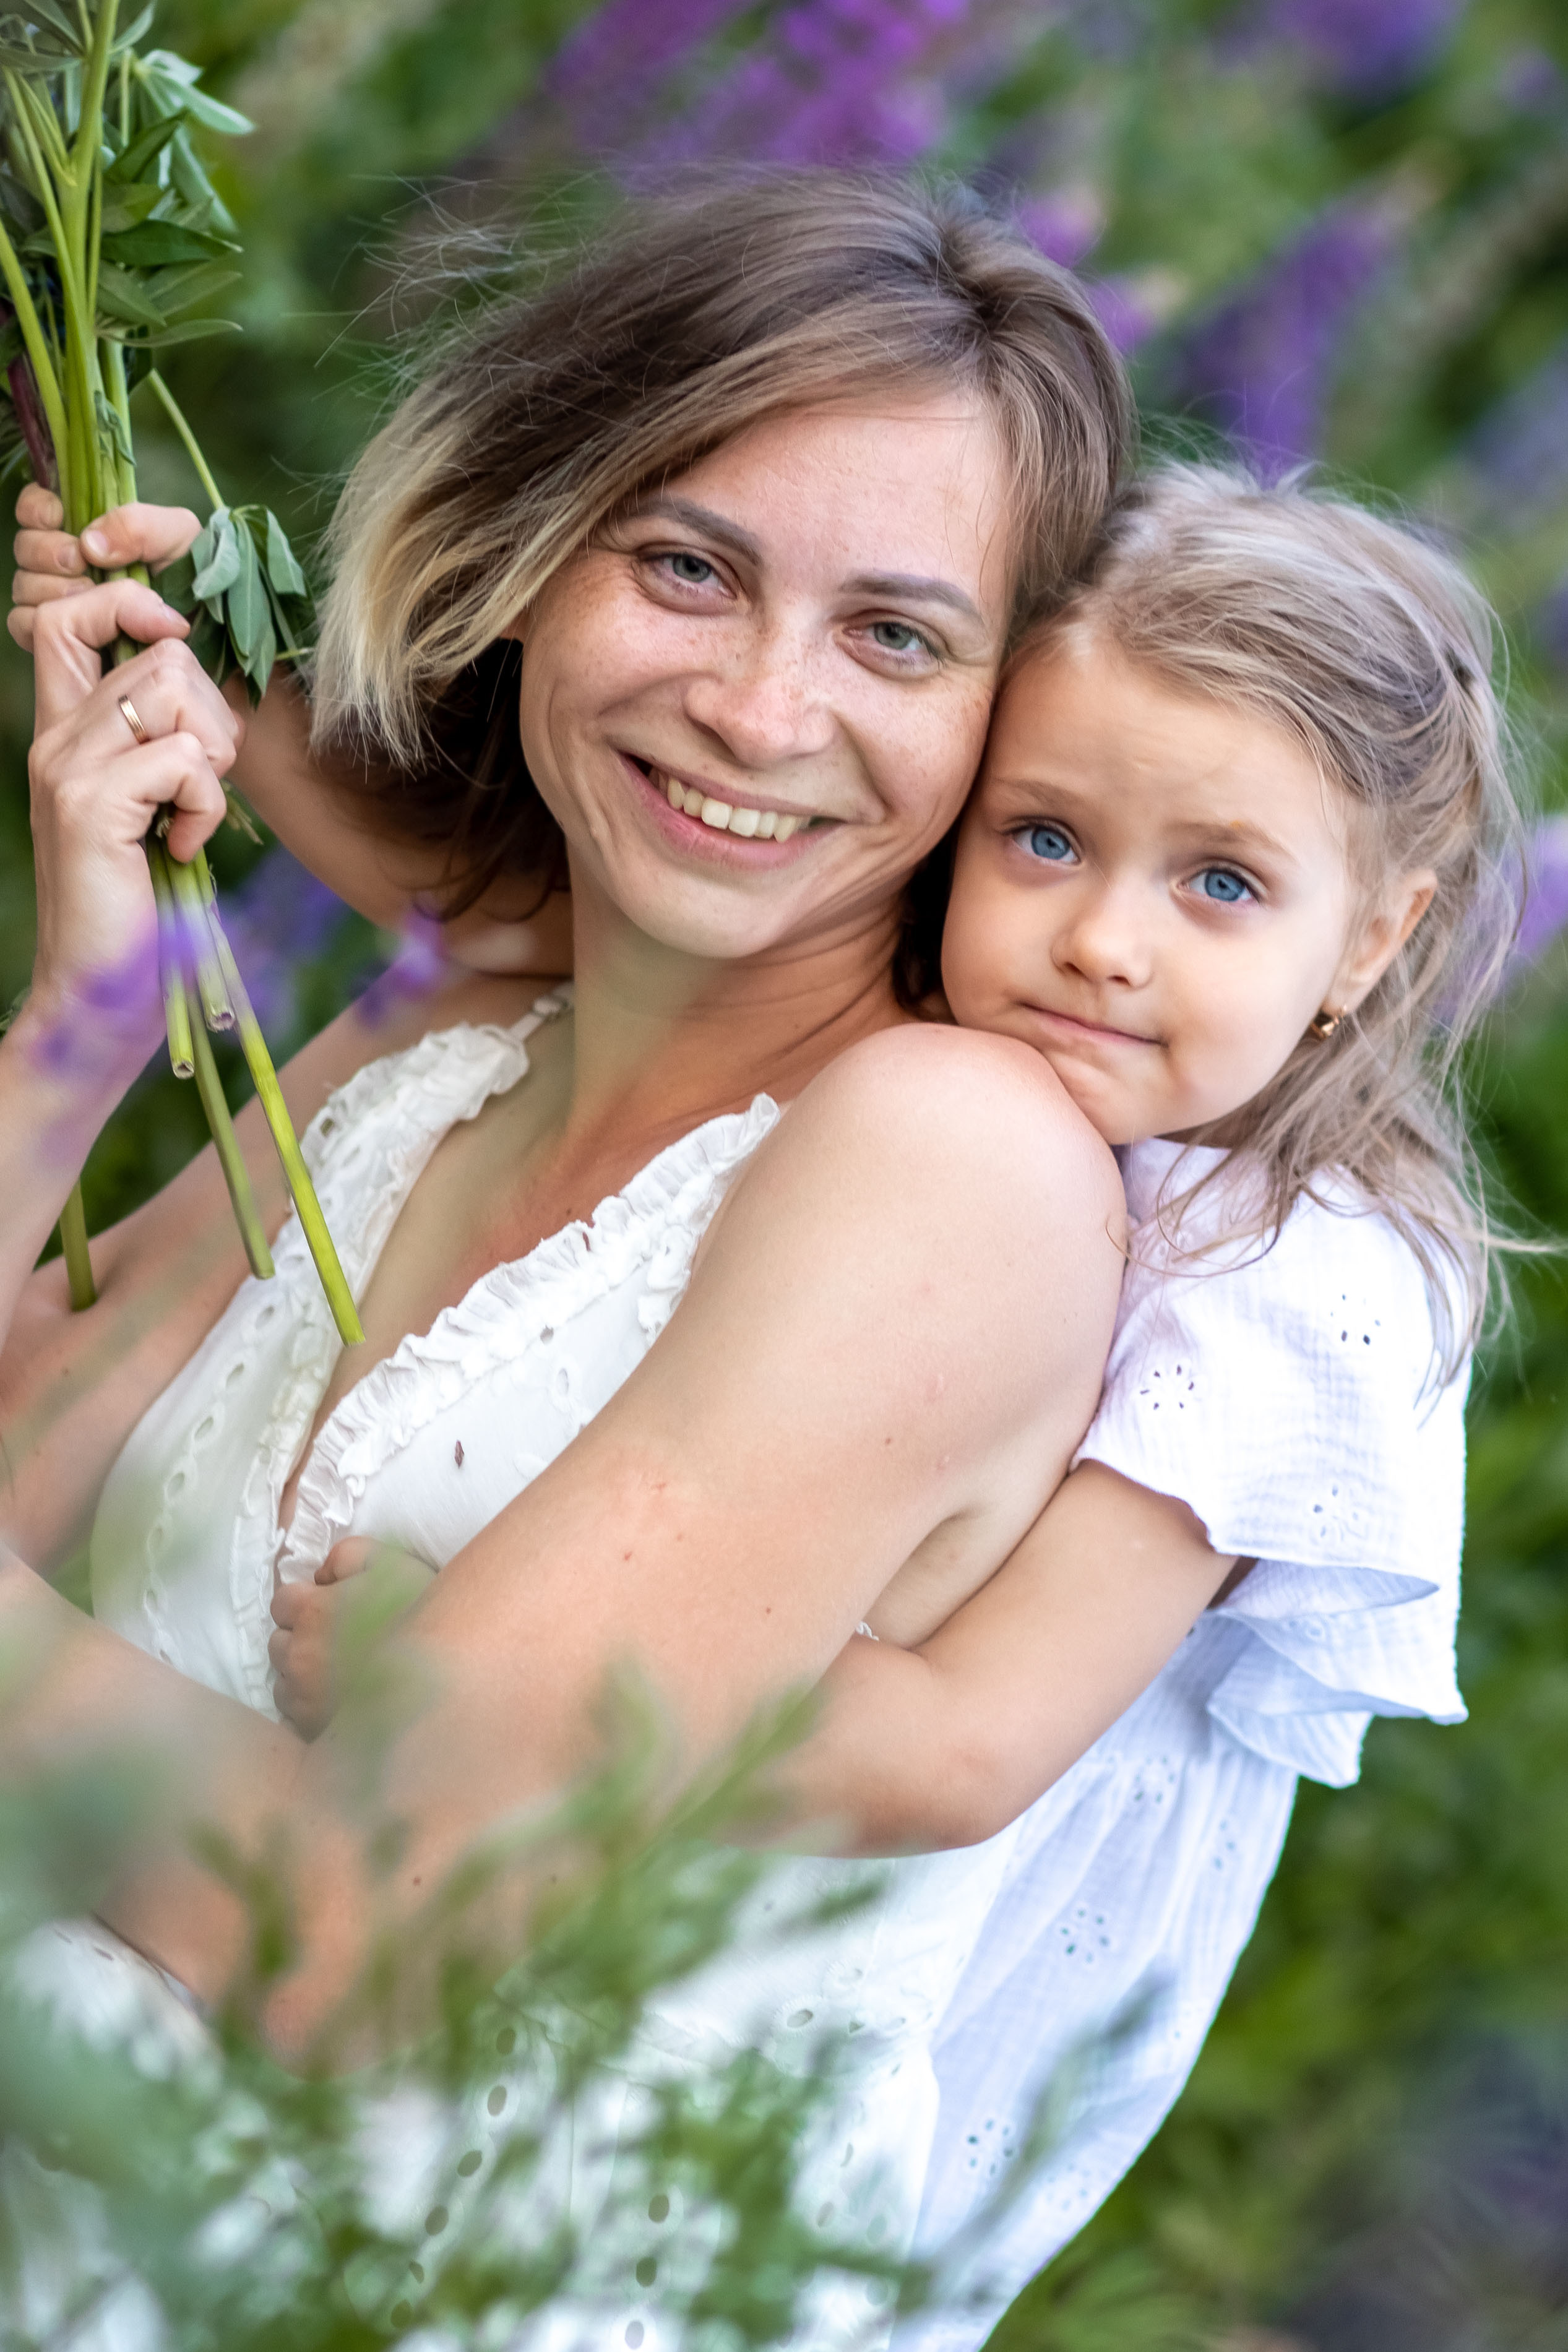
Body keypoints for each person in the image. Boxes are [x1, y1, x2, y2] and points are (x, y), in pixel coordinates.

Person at [0, 176, 1165, 2350]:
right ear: (529, 557)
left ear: (1012, 718)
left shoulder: (944, 1168)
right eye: (686, 566)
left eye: (897, 635)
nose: (754, 704)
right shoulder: (453, 1024)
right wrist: (84, 1014)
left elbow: (360, 1932)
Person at [265, 461, 1522, 2347]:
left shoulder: (1304, 1279)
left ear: (1371, 942)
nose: (1106, 938)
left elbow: (955, 1750)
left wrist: (476, 1669)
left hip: (886, 1952)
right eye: (1043, 839)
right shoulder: (953, 1055)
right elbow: (506, 912)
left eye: (1223, 883)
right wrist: (209, 698)